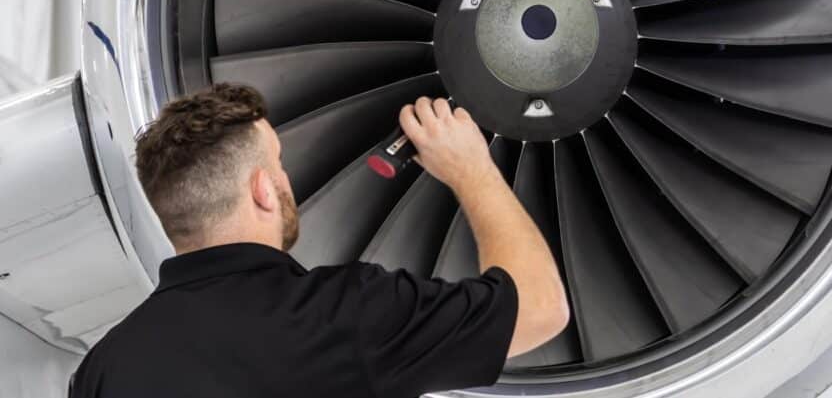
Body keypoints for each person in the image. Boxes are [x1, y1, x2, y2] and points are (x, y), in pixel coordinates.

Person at [68, 84, 570, 398]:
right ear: (264, 189)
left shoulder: (101, 371)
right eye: (278, 162)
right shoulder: (348, 315)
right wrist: (473, 170)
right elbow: (542, 308)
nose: (285, 178)